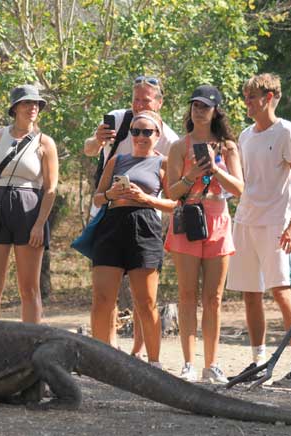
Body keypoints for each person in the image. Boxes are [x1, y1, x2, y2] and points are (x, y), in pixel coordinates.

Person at [227, 73, 291, 387]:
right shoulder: (245, 135)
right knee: (250, 294)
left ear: (269, 97)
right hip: (245, 221)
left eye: (252, 97)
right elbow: (245, 184)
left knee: (281, 292)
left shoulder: (287, 132)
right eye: (246, 96)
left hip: (277, 223)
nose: (247, 102)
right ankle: (257, 362)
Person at [83, 75, 180, 356]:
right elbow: (90, 151)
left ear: (159, 103)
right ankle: (107, 353)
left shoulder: (170, 141)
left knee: (144, 298)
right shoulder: (117, 119)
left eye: (146, 100)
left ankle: (142, 355)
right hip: (107, 217)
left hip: (145, 221)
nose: (139, 135)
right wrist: (96, 140)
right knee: (104, 295)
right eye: (135, 99)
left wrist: (145, 198)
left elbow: (175, 195)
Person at [164, 85, 243, 383]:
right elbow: (171, 192)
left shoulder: (228, 146)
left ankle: (212, 364)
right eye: (195, 105)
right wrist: (191, 176)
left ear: (215, 111)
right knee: (186, 295)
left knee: (214, 298)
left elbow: (239, 189)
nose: (199, 110)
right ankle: (188, 363)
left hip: (218, 220)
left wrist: (215, 169)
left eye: (205, 106)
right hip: (187, 219)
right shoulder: (179, 147)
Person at [0, 85, 59, 324]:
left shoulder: (46, 142)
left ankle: (31, 347)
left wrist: (39, 224)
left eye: (36, 104)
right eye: (27, 103)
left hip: (29, 208)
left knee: (29, 288)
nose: (32, 107)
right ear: (15, 108)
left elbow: (51, 188)